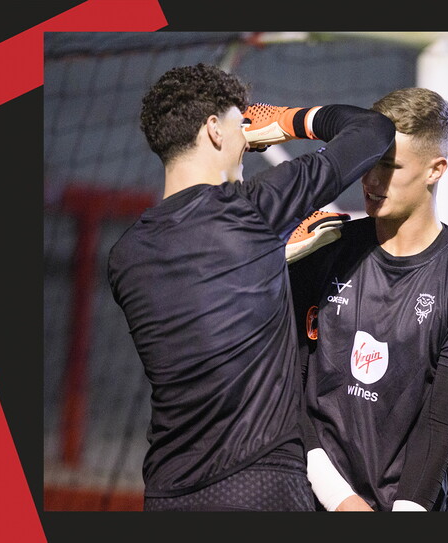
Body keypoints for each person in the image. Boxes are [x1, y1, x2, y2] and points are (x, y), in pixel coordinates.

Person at [106, 63, 395, 511]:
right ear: (213, 130)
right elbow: (373, 130)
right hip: (258, 486)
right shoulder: (255, 209)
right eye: (239, 123)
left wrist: (269, 257)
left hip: (167, 493)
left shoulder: (125, 257)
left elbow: (210, 305)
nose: (246, 135)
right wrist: (284, 120)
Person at [289, 87, 448, 511]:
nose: (370, 180)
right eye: (370, 162)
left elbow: (438, 426)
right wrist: (342, 502)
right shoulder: (320, 251)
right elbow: (290, 393)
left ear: (435, 170)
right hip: (313, 498)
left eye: (390, 167)